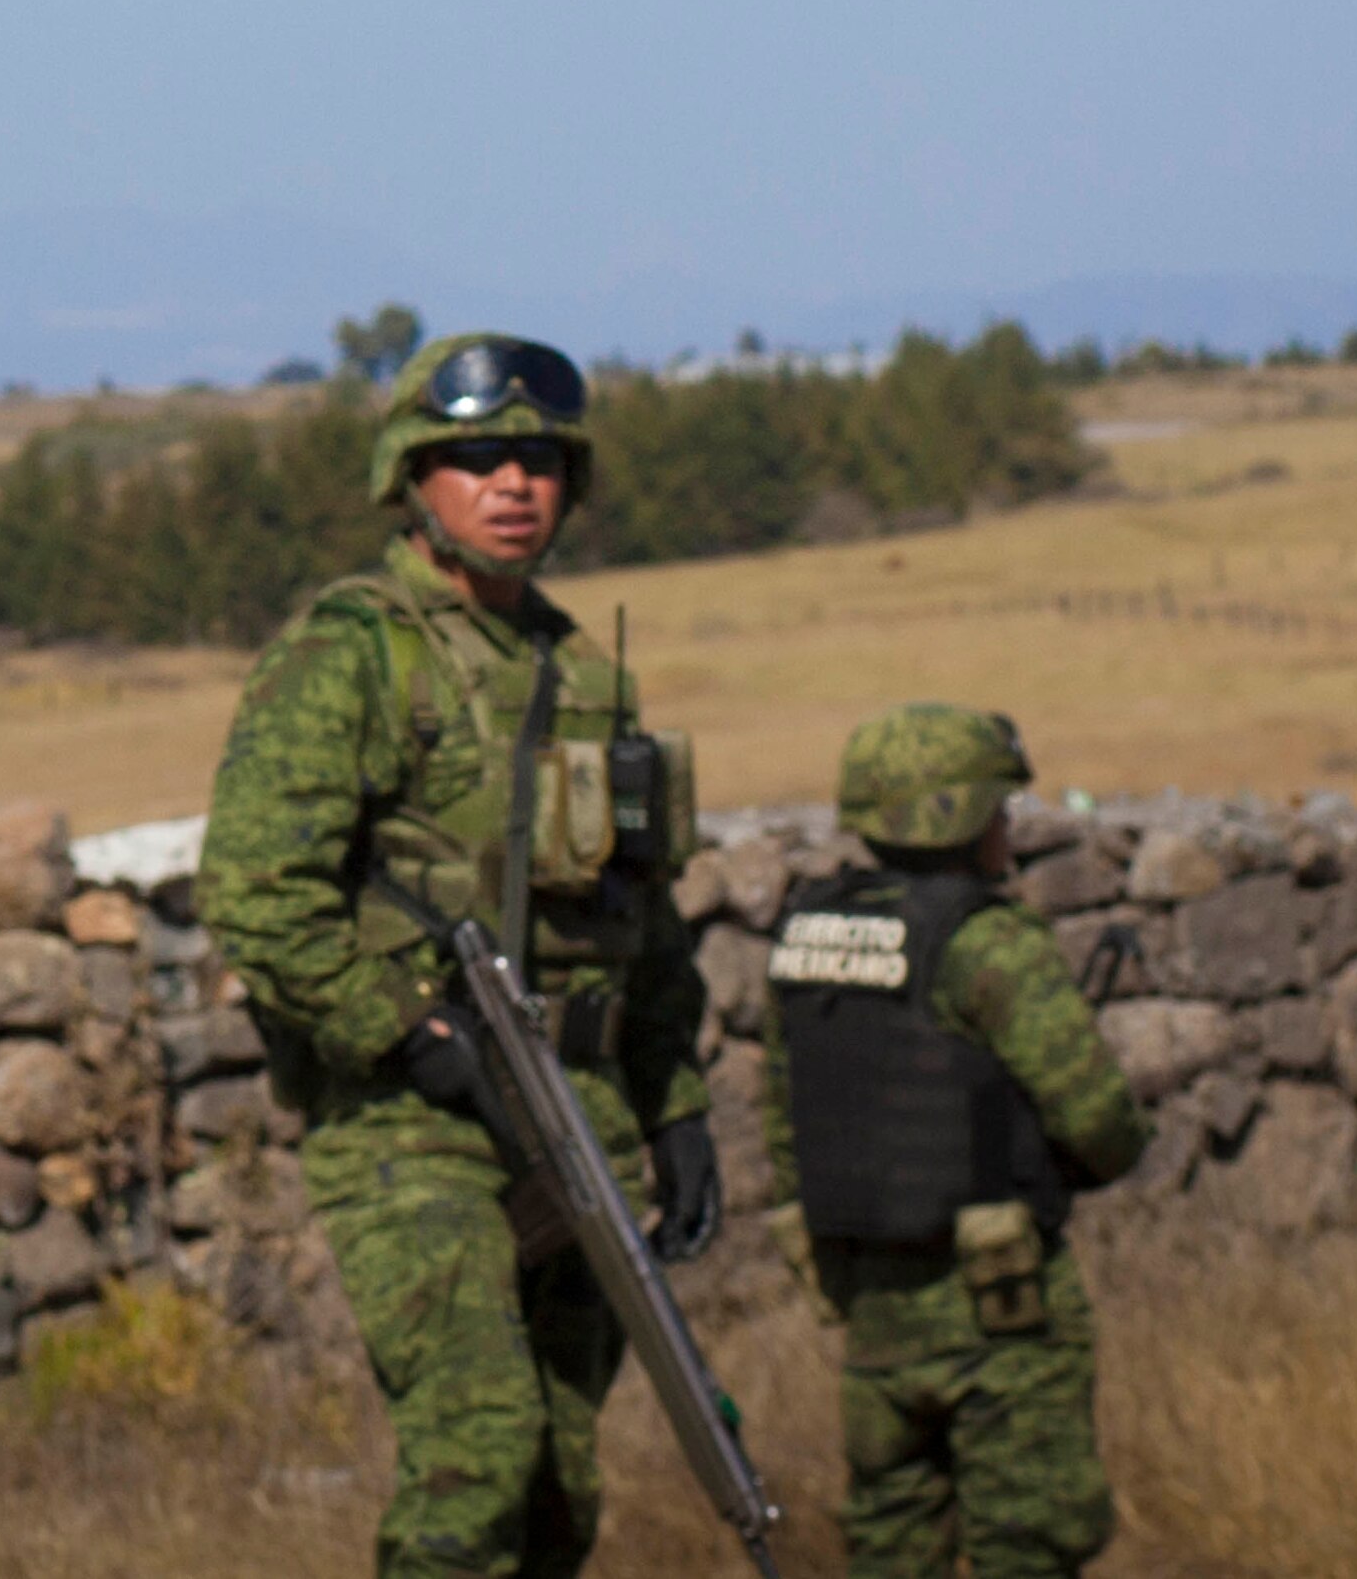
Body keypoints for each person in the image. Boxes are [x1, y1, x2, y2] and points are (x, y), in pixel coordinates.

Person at [202, 333, 721, 1579]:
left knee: (557, 1478)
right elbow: (254, 893)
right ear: (412, 478)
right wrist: (399, 1032)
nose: (511, 484)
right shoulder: (351, 655)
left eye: (539, 460)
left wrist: (678, 1105)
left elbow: (637, 924)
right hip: (410, 1123)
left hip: (573, 1113)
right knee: (475, 1447)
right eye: (476, 457)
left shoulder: (582, 673)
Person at [760, 704, 1145, 1579]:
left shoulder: (805, 935)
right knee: (1031, 1545)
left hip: (875, 1319)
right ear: (965, 817)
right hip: (999, 1307)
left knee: (891, 1546)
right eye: (999, 809)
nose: (1009, 827)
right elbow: (1099, 1118)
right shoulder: (986, 940)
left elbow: (785, 1115)